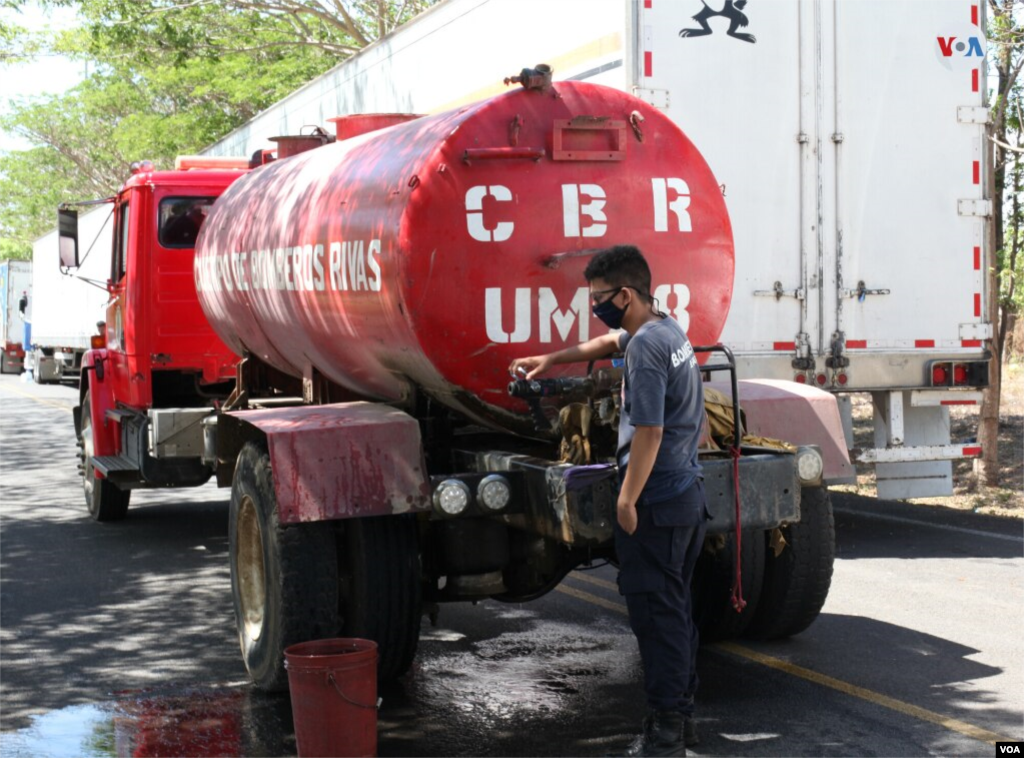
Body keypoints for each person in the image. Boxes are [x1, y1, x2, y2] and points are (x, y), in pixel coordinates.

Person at [509, 245, 707, 758]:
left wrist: (626, 499)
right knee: (677, 612)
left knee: (656, 620)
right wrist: (552, 357)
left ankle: (665, 735)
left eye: (599, 298)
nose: (595, 306)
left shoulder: (645, 350)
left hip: (656, 504)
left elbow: (648, 431)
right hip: (686, 496)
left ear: (624, 294)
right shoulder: (666, 328)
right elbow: (605, 340)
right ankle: (680, 718)